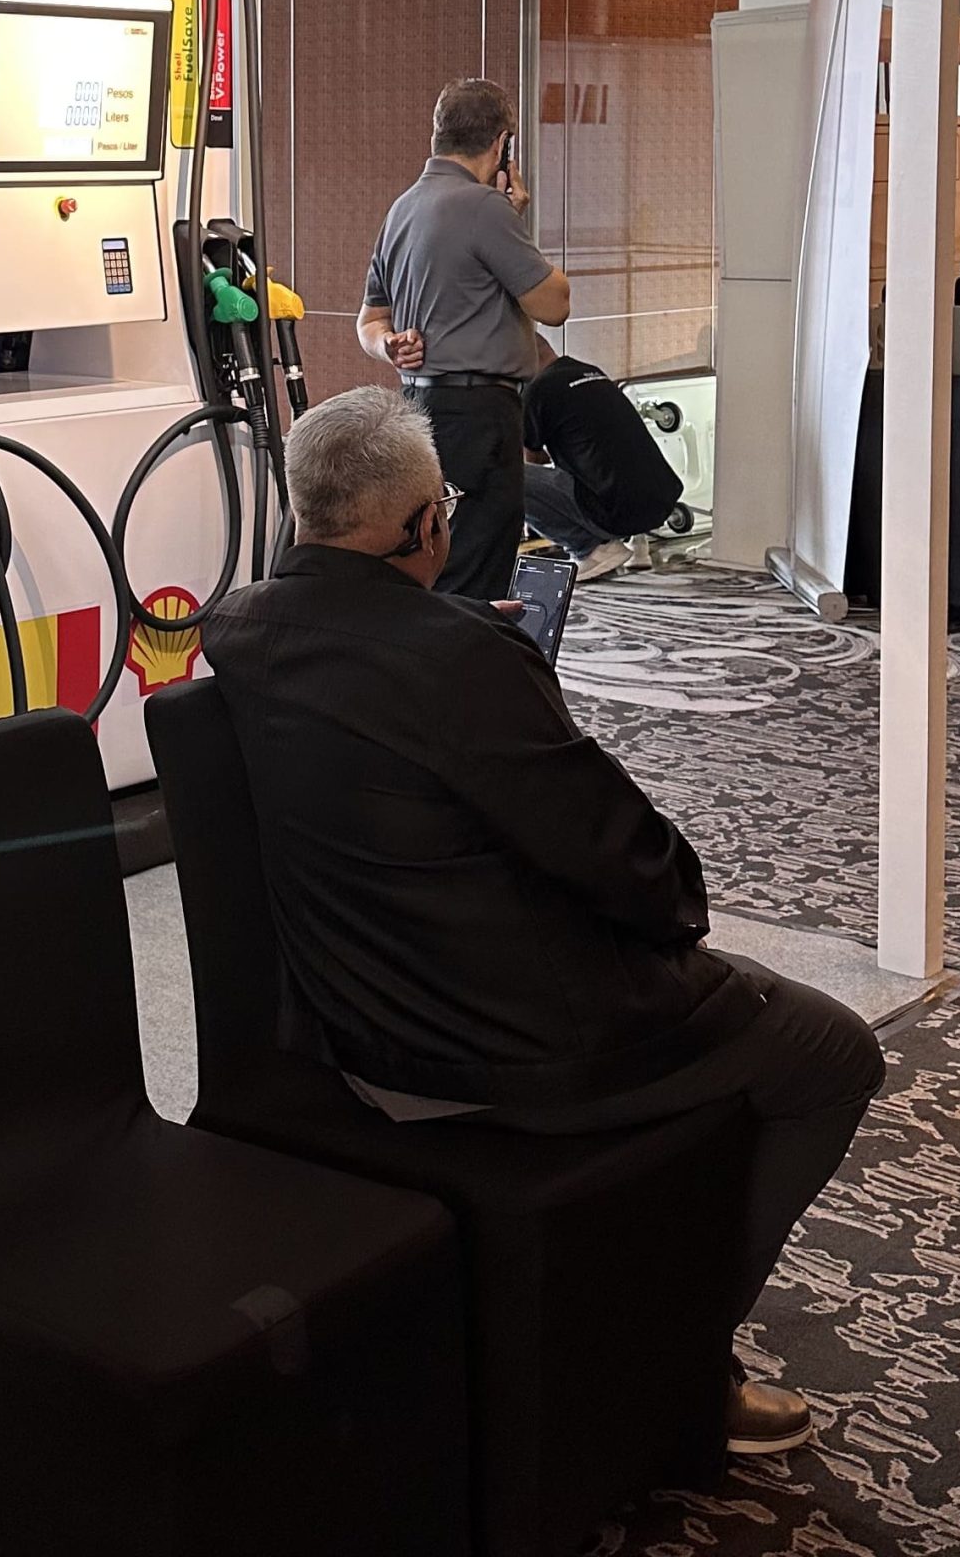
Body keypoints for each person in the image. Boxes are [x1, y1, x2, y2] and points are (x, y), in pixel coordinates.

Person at [204, 387, 886, 1460]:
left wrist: (457, 638)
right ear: (426, 525)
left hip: (345, 1022)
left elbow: (361, 652)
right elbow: (631, 867)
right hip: (505, 1045)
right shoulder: (462, 661)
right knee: (832, 1053)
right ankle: (676, 1365)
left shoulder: (235, 630)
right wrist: (484, 659)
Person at [358, 79, 570, 598]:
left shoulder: (403, 207)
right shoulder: (485, 209)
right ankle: (468, 651)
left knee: (435, 553)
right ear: (502, 145)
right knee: (478, 563)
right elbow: (555, 305)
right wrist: (513, 221)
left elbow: (370, 321)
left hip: (419, 409)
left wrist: (388, 345)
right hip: (479, 415)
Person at [520, 353, 687, 581]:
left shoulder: (538, 389)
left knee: (503, 476)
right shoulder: (591, 373)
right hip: (662, 501)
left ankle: (589, 549)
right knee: (609, 458)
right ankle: (638, 542)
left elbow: (529, 459)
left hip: (613, 511)